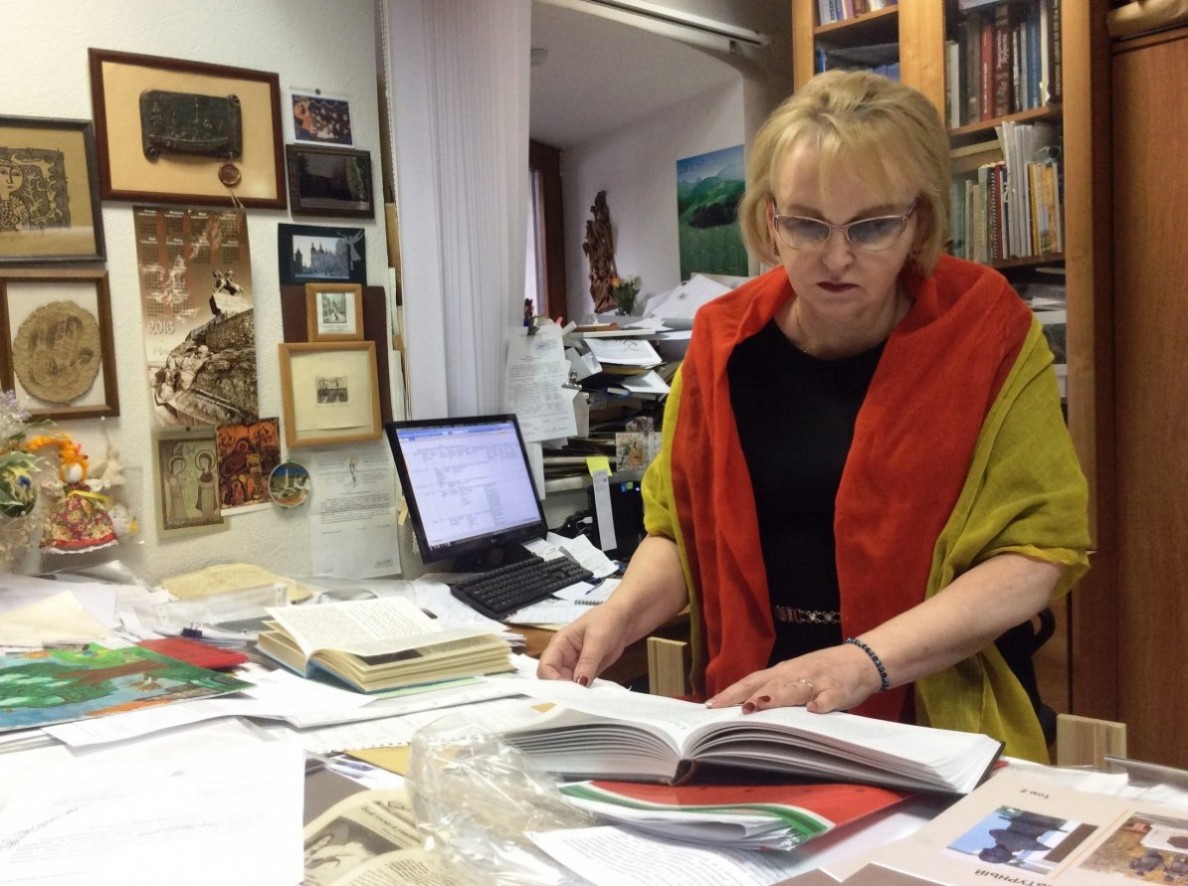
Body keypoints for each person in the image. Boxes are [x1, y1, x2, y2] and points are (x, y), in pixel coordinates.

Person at [538, 70, 1090, 763]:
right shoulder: (722, 345)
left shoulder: (986, 330)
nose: (836, 257)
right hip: (751, 713)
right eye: (806, 224)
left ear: (918, 221)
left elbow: (1035, 553)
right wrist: (617, 615)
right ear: (769, 219)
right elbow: (677, 531)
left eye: (872, 226)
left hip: (933, 719)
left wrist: (860, 662)